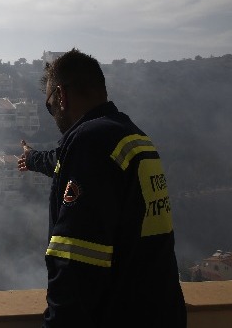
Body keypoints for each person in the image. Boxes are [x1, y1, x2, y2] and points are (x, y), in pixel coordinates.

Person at [17, 49, 186, 327]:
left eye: (49, 106)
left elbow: (76, 262)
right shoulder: (132, 138)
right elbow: (61, 161)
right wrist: (32, 158)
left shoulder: (90, 142)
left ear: (61, 96)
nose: (53, 114)